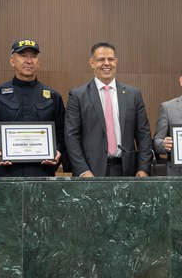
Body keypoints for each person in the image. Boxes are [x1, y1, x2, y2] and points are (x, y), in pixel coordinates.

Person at [65, 42, 152, 177]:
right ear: (92, 63)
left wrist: (143, 168)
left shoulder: (133, 94)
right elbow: (71, 137)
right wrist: (83, 171)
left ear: (116, 61)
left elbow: (144, 135)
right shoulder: (78, 96)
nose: (107, 63)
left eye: (110, 59)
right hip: (91, 172)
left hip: (128, 171)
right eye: (101, 59)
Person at [0, 39, 65, 177]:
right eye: (23, 56)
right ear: (12, 61)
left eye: (33, 56)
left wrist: (57, 149)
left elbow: (62, 132)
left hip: (43, 172)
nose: (29, 60)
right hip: (8, 172)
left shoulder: (52, 97)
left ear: (38, 62)